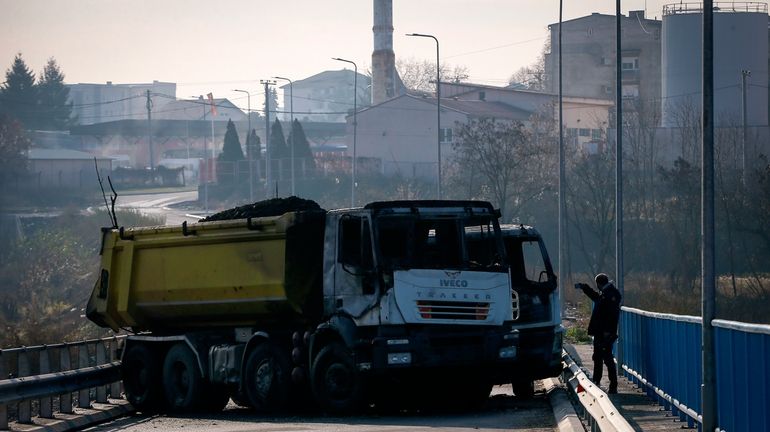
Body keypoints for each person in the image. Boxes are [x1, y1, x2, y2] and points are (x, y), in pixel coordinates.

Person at [577, 273, 621, 394]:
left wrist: (608, 331)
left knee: (606, 358)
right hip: (601, 332)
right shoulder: (606, 294)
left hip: (605, 333)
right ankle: (596, 382)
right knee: (598, 357)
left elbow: (612, 315)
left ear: (599, 284)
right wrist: (584, 287)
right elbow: (596, 297)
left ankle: (613, 385)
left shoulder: (611, 295)